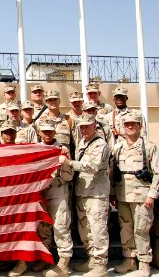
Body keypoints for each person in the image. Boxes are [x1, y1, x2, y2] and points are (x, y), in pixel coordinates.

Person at [60, 114, 110, 277]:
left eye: (88, 125)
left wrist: (69, 163)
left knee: (97, 228)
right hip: (83, 192)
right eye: (81, 126)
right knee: (85, 229)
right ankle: (92, 259)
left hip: (96, 194)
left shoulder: (100, 144)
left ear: (95, 125)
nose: (84, 129)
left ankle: (101, 265)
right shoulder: (82, 142)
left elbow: (93, 166)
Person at [110, 111, 158, 276]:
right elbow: (112, 172)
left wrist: (152, 194)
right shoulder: (118, 148)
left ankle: (144, 264)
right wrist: (112, 193)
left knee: (141, 230)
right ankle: (129, 260)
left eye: (133, 124)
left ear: (140, 126)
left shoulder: (149, 147)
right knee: (125, 229)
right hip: (123, 195)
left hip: (142, 197)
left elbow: (157, 173)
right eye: (127, 124)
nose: (130, 126)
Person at [39, 120, 74, 277]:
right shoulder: (36, 148)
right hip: (41, 192)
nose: (47, 133)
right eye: (44, 131)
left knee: (60, 226)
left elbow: (69, 175)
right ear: (40, 132)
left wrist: (64, 163)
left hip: (58, 190)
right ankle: (45, 258)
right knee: (43, 227)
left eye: (50, 131)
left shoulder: (62, 149)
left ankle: (64, 262)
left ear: (55, 132)